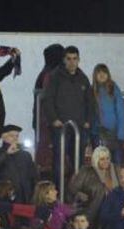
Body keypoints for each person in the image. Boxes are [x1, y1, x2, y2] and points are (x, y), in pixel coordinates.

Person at [44, 46, 93, 187]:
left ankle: (76, 190)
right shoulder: (54, 77)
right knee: (59, 160)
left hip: (79, 127)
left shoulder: (83, 78)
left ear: (79, 60)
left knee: (78, 161)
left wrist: (88, 121)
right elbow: (48, 100)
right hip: (61, 127)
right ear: (64, 60)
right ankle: (58, 191)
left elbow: (90, 102)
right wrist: (54, 119)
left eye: (75, 59)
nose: (72, 62)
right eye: (69, 59)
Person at [0, 124, 38, 203]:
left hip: (25, 196)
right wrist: (6, 153)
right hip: (5, 195)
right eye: (12, 136)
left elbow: (33, 175)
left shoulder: (25, 155)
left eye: (17, 136)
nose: (15, 139)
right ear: (4, 137)